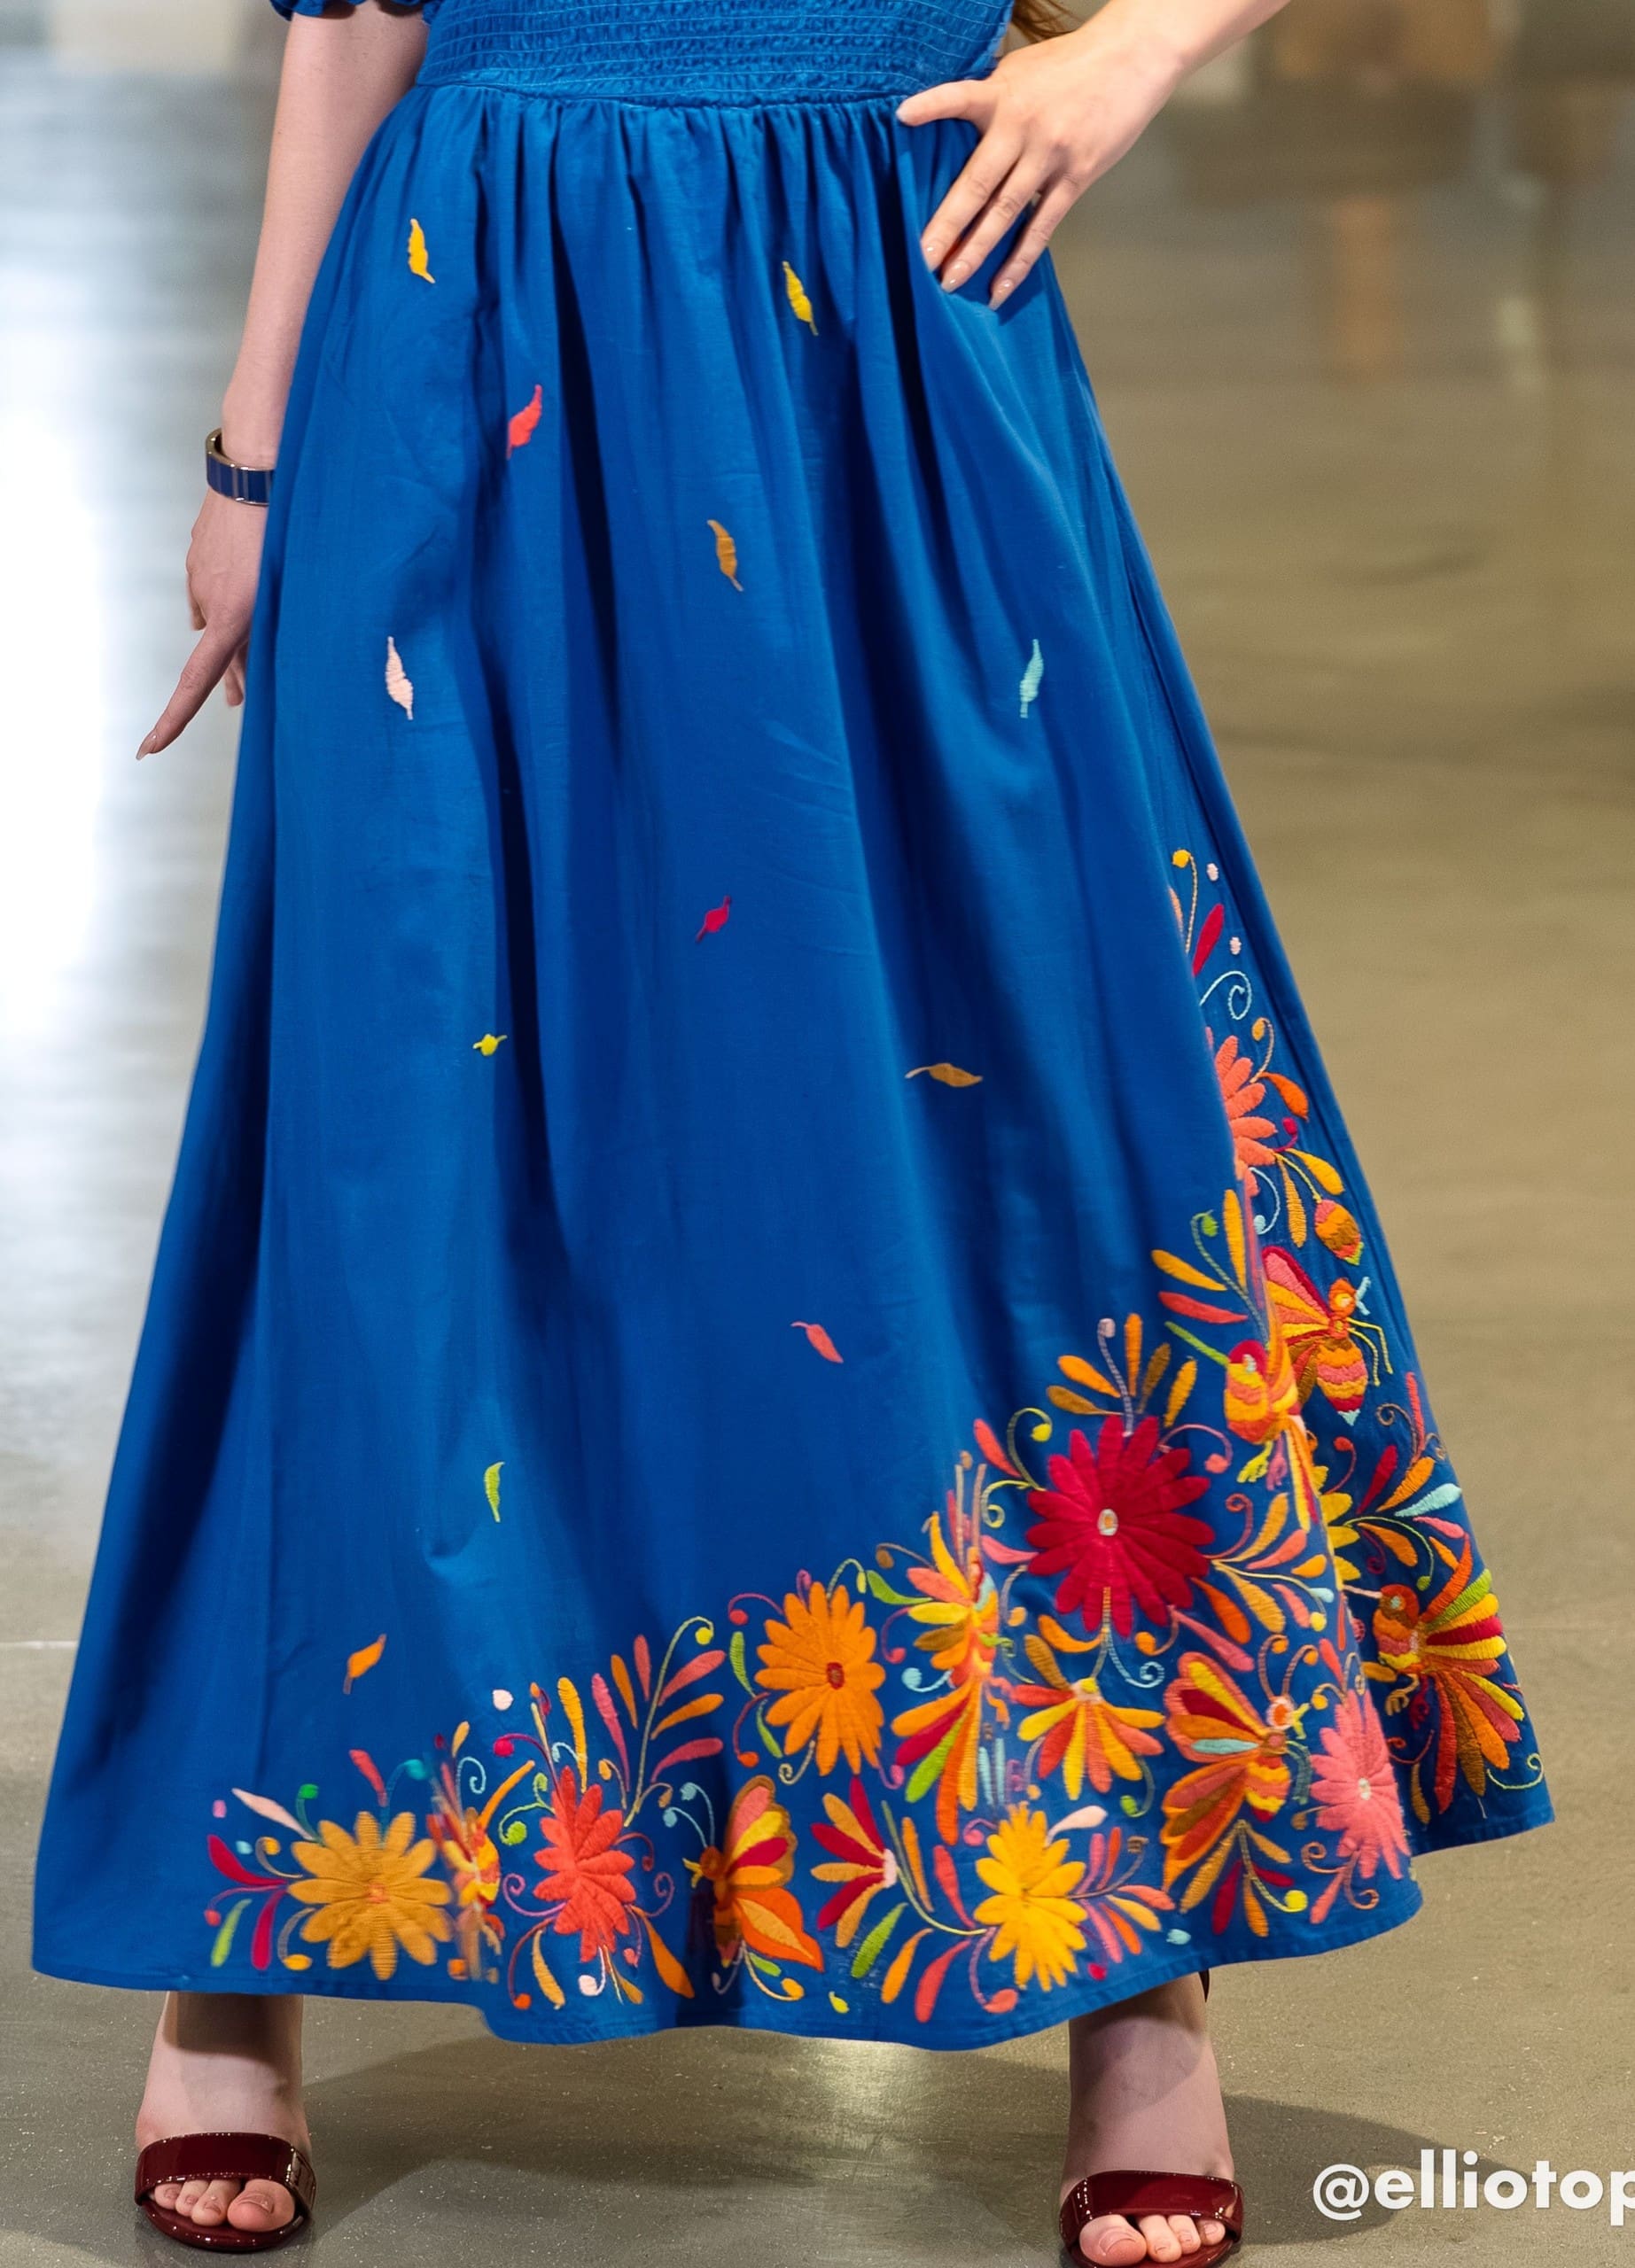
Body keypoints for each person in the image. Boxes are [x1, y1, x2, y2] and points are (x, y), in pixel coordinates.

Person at [31, 0, 1552, 2259]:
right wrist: (256, 461)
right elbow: (353, 21)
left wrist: (1137, 47)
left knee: (1032, 1090)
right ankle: (237, 1959)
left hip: (886, 324)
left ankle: (1141, 1982)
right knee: (395, 1130)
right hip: (472, 330)